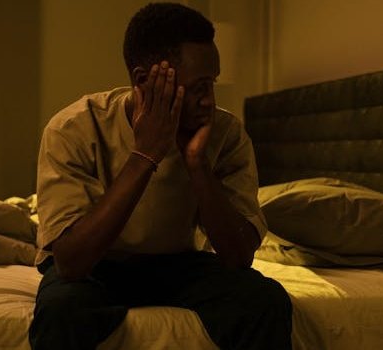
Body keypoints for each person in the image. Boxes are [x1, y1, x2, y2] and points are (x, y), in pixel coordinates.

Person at [28, 3, 292, 349]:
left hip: (176, 264)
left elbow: (237, 257)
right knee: (62, 312)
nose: (209, 102)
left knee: (263, 301)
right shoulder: (74, 128)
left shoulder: (224, 133)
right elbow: (72, 262)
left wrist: (197, 164)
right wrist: (145, 155)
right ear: (143, 81)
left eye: (212, 84)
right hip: (97, 266)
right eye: (199, 87)